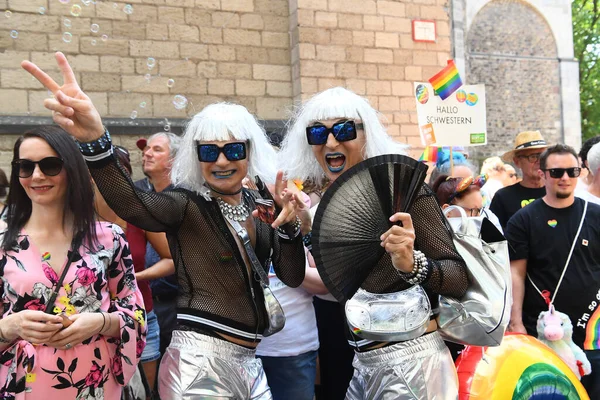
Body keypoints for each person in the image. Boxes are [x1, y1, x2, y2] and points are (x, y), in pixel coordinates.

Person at [22, 52, 306, 400]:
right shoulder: (187, 205)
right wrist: (95, 139)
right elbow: (132, 204)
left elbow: (291, 276)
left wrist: (289, 229)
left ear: (249, 152)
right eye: (208, 152)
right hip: (197, 365)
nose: (220, 161)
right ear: (195, 156)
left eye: (232, 150)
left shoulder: (260, 206)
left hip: (251, 364)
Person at [278, 87, 468, 399]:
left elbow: (458, 277)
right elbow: (316, 280)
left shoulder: (403, 191)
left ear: (367, 134)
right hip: (363, 363)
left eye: (343, 129)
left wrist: (411, 264)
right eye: (317, 132)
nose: (330, 142)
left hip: (413, 365)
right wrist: (298, 229)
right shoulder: (329, 202)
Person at [0, 126, 146, 399]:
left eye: (50, 165)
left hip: (94, 385)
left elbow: (136, 316)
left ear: (73, 170)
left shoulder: (110, 239)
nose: (37, 176)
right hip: (23, 386)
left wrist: (100, 322)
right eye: (25, 166)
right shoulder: (2, 243)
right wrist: (10, 326)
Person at [505, 144, 600, 397]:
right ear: (543, 173)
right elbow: (516, 274)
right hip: (543, 332)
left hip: (593, 332)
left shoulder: (595, 215)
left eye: (572, 171)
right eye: (557, 172)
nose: (565, 178)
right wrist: (516, 323)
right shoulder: (522, 220)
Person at [95, 145, 170, 397]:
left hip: (142, 318)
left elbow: (171, 259)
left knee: (144, 393)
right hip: (94, 323)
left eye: (116, 175)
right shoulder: (78, 218)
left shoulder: (138, 214)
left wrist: (137, 277)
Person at [134, 132, 181, 357]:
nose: (147, 154)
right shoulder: (141, 194)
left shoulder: (184, 199)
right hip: (146, 305)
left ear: (173, 160)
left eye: (157, 149)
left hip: (175, 305)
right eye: (146, 149)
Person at [490, 130, 549, 230]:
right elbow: (494, 238)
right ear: (517, 162)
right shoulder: (503, 197)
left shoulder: (556, 192)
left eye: (543, 156)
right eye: (533, 156)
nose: (539, 161)